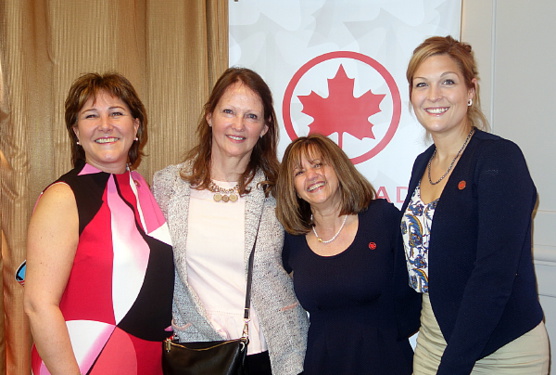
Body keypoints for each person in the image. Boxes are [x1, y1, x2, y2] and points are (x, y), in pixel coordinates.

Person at [401, 35, 550, 375]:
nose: (434, 95)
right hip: (433, 342)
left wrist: (454, 364)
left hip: (503, 351)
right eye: (422, 84)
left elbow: (494, 275)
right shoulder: (422, 164)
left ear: (471, 91)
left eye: (447, 82)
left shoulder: (499, 158)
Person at [152, 67, 308, 375]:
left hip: (271, 354)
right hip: (199, 354)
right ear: (210, 115)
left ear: (264, 127)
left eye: (251, 116)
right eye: (228, 111)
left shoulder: (280, 190)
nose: (239, 125)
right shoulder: (167, 186)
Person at [24, 72, 174, 375]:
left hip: (144, 360)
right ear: (77, 132)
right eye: (91, 116)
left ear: (136, 127)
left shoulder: (140, 188)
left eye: (116, 113)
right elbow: (38, 306)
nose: (105, 125)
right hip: (82, 362)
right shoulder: (63, 197)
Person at [275, 134, 419, 375]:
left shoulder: (381, 218)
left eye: (318, 164)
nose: (312, 175)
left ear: (338, 169)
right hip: (322, 364)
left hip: (386, 361)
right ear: (294, 189)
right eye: (299, 172)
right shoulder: (293, 239)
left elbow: (415, 291)